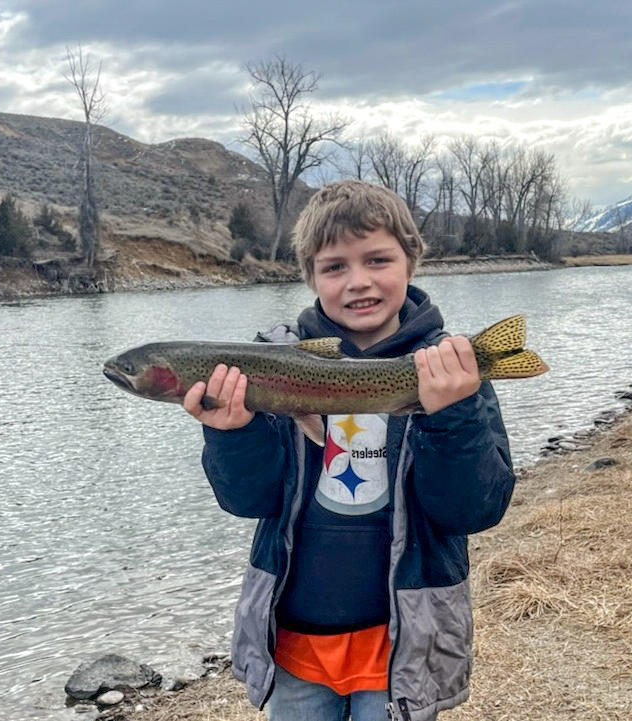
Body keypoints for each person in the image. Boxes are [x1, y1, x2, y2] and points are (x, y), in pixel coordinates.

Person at [183, 180, 515, 721]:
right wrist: (233, 433)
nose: (358, 282)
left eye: (377, 259)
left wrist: (453, 414)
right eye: (335, 267)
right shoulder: (268, 362)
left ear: (412, 261)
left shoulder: (449, 371)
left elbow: (472, 511)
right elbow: (250, 500)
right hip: (295, 642)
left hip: (403, 638)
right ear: (310, 277)